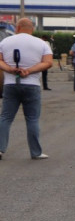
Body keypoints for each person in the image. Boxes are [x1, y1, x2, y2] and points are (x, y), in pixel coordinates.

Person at [0, 18, 54, 160]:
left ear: (17, 28)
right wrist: (29, 71)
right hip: (32, 84)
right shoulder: (42, 43)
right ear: (32, 29)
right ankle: (35, 152)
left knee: (6, 117)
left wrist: (11, 69)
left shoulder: (5, 42)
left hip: (10, 84)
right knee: (32, 119)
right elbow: (48, 63)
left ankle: (0, 148)